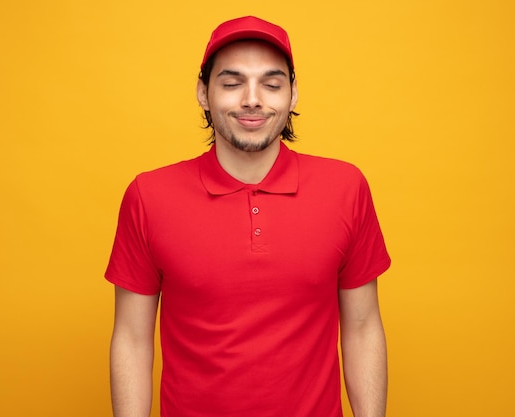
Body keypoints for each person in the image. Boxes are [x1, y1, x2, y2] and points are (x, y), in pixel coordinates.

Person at [105, 16, 391, 417]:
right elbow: (132, 338)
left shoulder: (346, 187)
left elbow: (362, 327)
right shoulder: (149, 195)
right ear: (203, 93)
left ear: (292, 95)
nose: (252, 99)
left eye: (272, 84)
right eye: (232, 82)